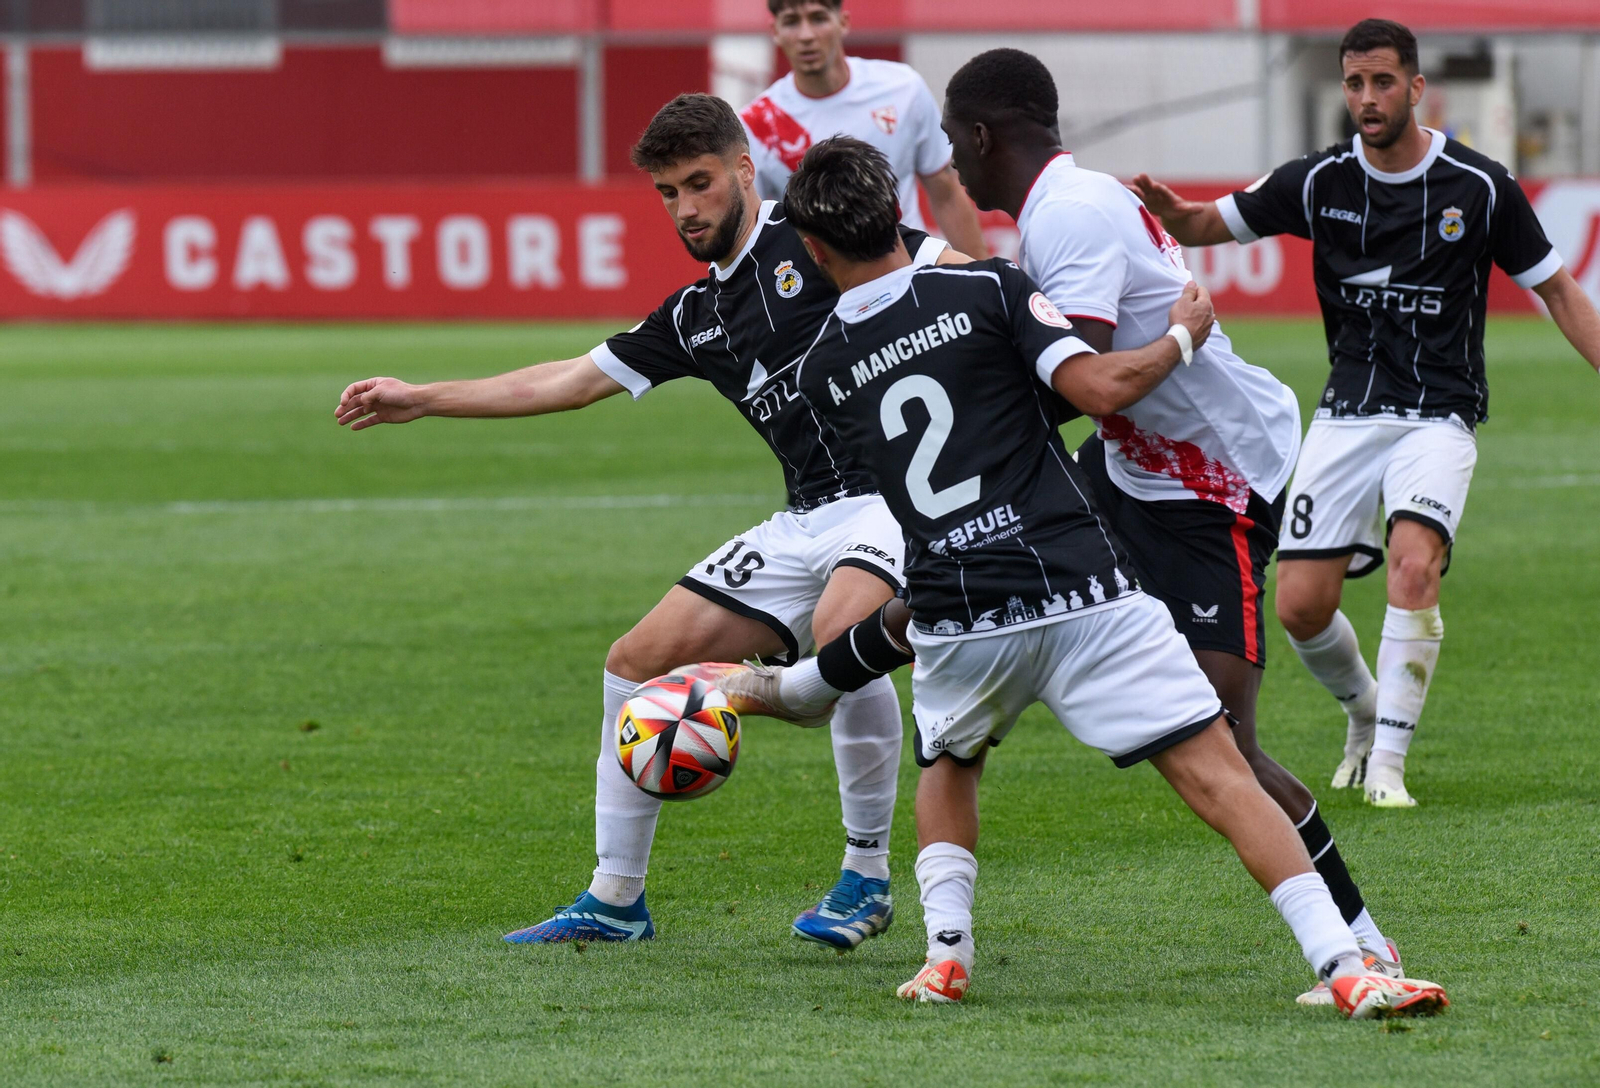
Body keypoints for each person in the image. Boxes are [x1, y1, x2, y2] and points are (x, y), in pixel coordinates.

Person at [717, 46, 1405, 1007]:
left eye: (953, 140)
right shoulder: (990, 283)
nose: (948, 160)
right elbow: (1074, 387)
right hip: (1116, 488)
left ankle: (937, 929)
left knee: (993, 727)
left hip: (1198, 482)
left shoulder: (845, 352)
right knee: (1205, 753)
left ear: (814, 250)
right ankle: (1348, 958)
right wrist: (1181, 331)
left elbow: (1072, 393)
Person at [336, 93, 961, 949]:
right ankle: (615, 898)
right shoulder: (695, 316)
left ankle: (866, 878)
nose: (686, 208)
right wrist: (424, 398)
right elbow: (567, 380)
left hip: (892, 497)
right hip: (806, 517)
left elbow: (954, 269)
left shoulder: (815, 235)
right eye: (668, 193)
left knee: (842, 635)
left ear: (745, 168)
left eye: (700, 183)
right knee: (633, 662)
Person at [1132, 18, 1600, 808]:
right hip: (1347, 413)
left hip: (1439, 413)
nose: (1367, 98)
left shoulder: (1480, 187)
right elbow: (1210, 224)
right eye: (1355, 83)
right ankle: (1363, 709)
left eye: (1383, 82)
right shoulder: (1319, 182)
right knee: (1299, 605)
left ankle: (1388, 767)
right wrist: (1172, 212)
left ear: (1417, 88)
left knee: (1414, 565)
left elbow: (1556, 288)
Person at [740, 0, 988, 259]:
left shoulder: (903, 88)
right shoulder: (756, 123)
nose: (806, 35)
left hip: (911, 268)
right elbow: (755, 229)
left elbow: (946, 194)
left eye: (818, 18)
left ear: (843, 22)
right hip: (819, 279)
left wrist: (983, 274)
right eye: (791, 22)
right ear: (775, 31)